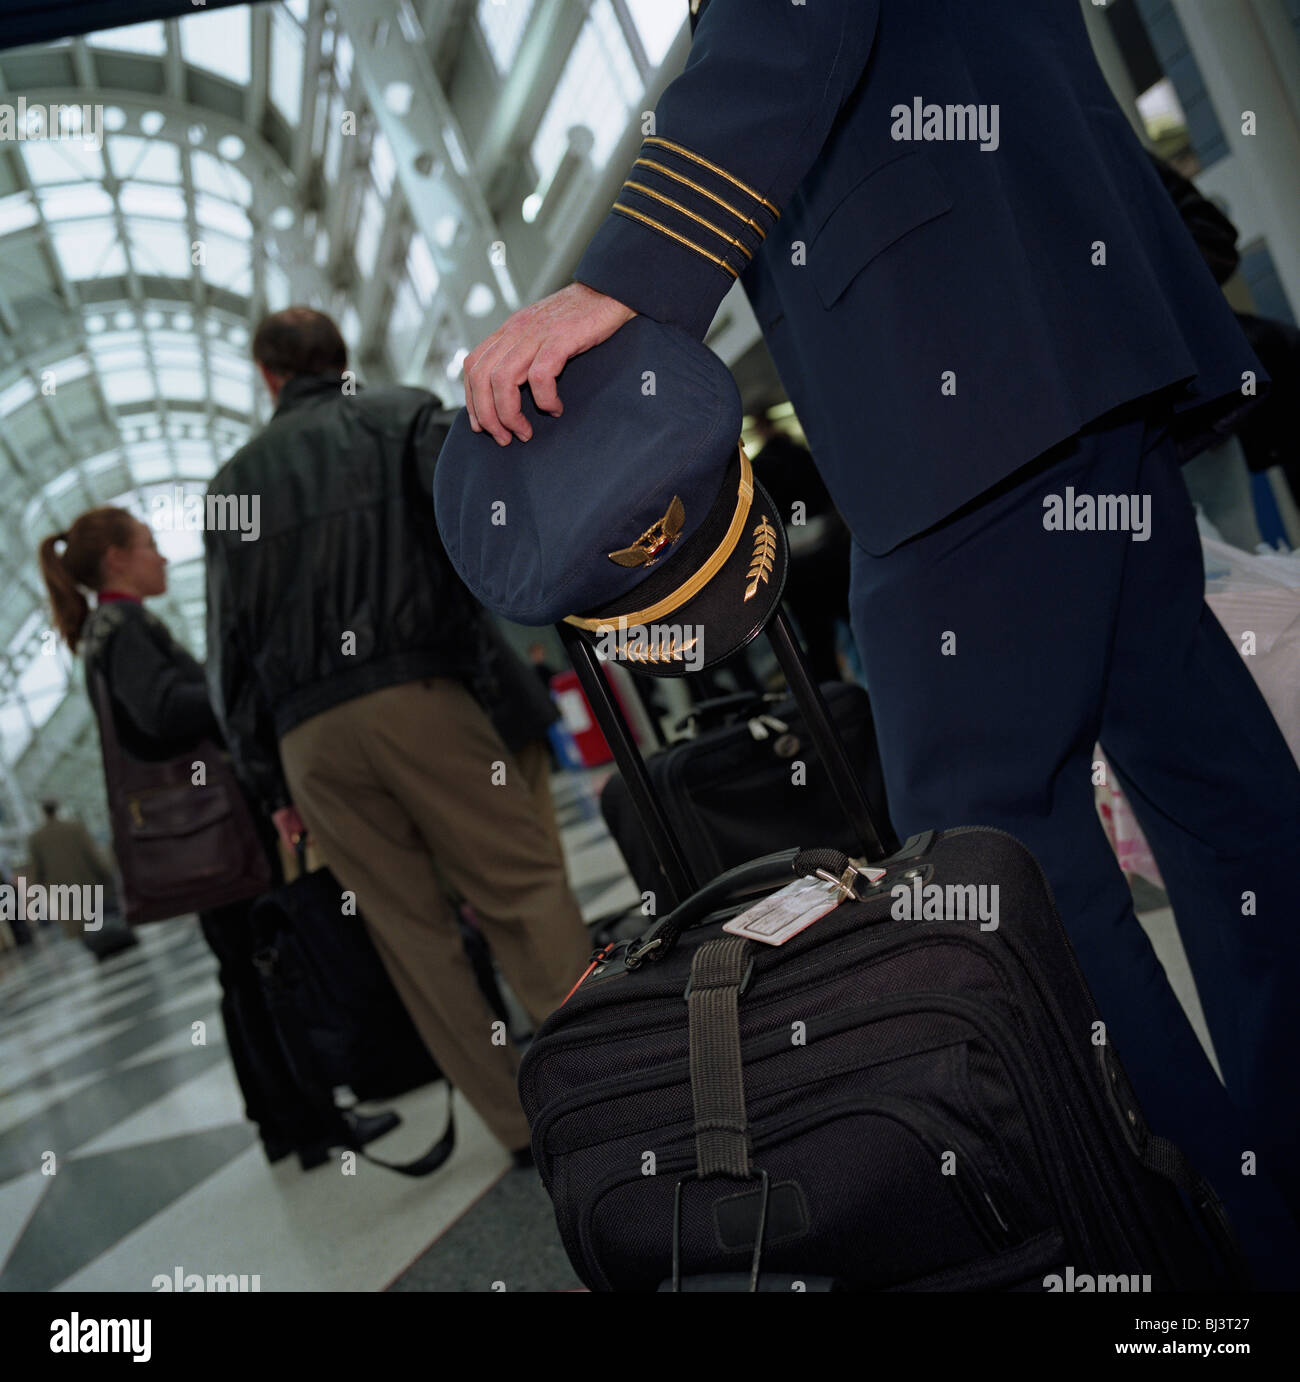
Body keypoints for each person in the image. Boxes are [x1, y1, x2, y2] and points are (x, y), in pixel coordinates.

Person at [460, 0, 1300, 1280]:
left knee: (988, 856)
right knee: (1214, 787)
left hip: (958, 352)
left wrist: (624, 276)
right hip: (1056, 317)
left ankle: (1182, 1246)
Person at [203, 307, 592, 1167]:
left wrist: (270, 787)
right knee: (520, 887)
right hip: (417, 691)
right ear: (340, 357)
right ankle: (599, 1082)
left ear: (267, 376)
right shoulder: (397, 416)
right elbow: (474, 536)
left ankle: (519, 1127)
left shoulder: (230, 484)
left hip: (310, 740)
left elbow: (227, 649)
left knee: (411, 938)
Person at [38, 508, 395, 1170]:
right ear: (116, 559)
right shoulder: (128, 627)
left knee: (241, 975)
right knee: (263, 969)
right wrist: (227, 679)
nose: (162, 558)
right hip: (214, 828)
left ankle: (283, 1121)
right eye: (148, 545)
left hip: (187, 834)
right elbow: (164, 712)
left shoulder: (104, 632)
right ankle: (317, 1122)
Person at [749, 409, 853, 684]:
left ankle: (835, 702)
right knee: (858, 626)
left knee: (818, 643)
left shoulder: (759, 469)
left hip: (795, 566)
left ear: (759, 429)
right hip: (830, 553)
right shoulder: (803, 455)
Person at [25, 798, 116, 942]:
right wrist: (107, 875)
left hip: (60, 891)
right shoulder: (75, 828)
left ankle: (94, 949)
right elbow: (92, 855)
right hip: (87, 884)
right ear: (57, 808)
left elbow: (37, 869)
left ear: (43, 812)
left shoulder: (35, 839)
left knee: (78, 928)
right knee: (100, 923)